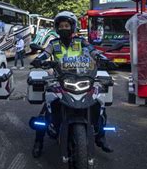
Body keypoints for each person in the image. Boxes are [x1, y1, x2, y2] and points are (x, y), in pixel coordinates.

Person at [30, 11, 114, 158]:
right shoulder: (53, 43)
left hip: (82, 76)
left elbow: (94, 52)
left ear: (72, 26)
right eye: (61, 26)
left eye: (66, 25)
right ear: (57, 28)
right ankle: (39, 141)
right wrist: (39, 60)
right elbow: (44, 54)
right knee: (46, 109)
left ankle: (101, 137)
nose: (64, 28)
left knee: (99, 104)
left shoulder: (81, 42)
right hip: (59, 78)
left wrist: (103, 59)